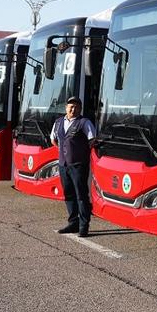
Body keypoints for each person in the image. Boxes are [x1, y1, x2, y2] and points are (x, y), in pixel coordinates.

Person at [49, 96, 98, 237]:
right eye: (71, 106)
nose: (73, 109)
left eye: (76, 107)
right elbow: (53, 139)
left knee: (81, 195)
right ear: (66, 108)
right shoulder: (58, 122)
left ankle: (84, 226)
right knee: (68, 194)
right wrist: (63, 150)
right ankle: (73, 223)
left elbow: (92, 140)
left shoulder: (84, 122)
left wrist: (78, 151)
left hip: (78, 165)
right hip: (63, 164)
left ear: (80, 109)